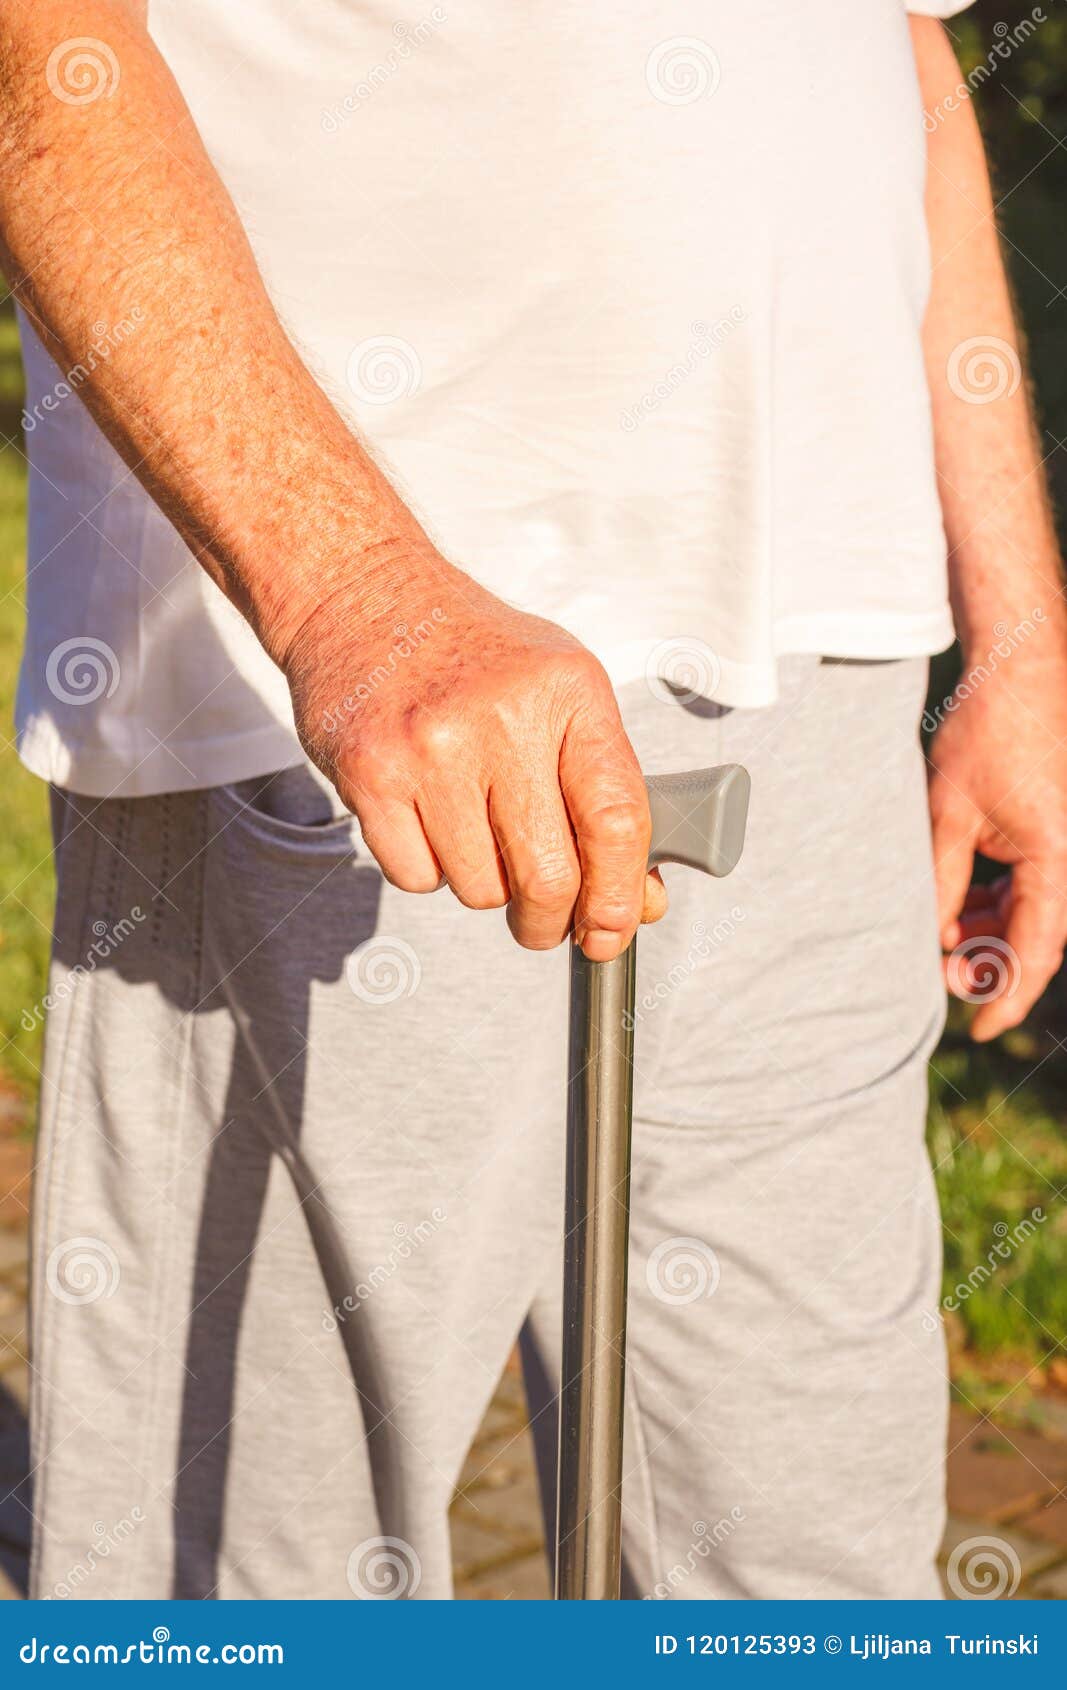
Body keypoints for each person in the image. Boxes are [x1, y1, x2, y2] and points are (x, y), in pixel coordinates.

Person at [1, 0, 1064, 1601]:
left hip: (830, 669)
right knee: (257, 1588)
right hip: (368, 688)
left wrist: (1023, 644)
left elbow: (903, 51)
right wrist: (354, 593)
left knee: (815, 1578)